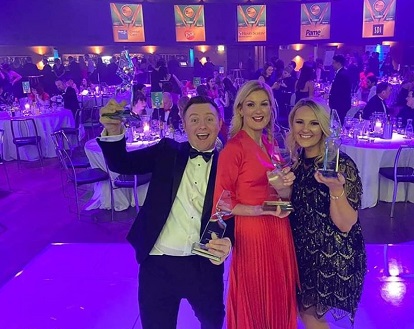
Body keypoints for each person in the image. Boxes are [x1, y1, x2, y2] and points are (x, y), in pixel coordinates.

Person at [98, 96, 234, 329]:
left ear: (219, 122)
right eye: (194, 119)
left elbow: (237, 211)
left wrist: (229, 239)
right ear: (184, 124)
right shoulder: (167, 152)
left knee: (212, 323)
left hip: (203, 266)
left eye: (209, 119)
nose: (202, 125)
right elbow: (122, 163)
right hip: (158, 264)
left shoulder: (231, 163)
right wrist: (113, 130)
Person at [213, 80, 299, 329]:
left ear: (271, 109)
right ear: (240, 109)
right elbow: (223, 203)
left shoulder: (270, 145)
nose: (258, 110)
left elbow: (280, 191)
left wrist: (285, 186)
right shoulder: (234, 148)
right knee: (256, 295)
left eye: (264, 104)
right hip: (253, 233)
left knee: (278, 293)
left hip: (278, 230)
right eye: (251, 104)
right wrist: (262, 209)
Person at [287, 98, 366, 327]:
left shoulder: (340, 165)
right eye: (300, 122)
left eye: (313, 123)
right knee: (305, 314)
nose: (305, 129)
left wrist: (336, 188)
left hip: (332, 253)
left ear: (323, 127)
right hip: (304, 251)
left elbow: (346, 223)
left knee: (311, 317)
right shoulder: (296, 161)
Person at [328, 55, 351, 123]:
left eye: (333, 62)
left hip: (340, 104)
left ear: (338, 63)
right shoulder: (343, 73)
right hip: (342, 103)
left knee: (338, 122)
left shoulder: (341, 75)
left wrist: (331, 98)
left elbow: (339, 91)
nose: (332, 64)